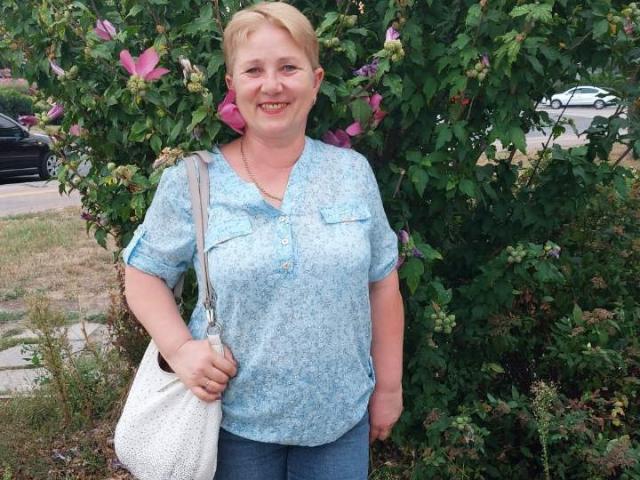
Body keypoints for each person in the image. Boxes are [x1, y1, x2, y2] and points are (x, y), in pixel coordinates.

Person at [122, 2, 404, 479]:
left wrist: (389, 388)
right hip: (230, 427)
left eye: (288, 68)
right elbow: (143, 273)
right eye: (254, 70)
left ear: (315, 81)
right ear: (233, 85)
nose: (272, 85)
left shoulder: (351, 174)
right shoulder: (194, 182)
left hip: (339, 423)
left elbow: (382, 283)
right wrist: (181, 350)